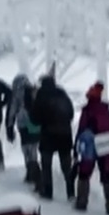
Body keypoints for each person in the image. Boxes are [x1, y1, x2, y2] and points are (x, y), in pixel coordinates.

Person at [74, 82, 109, 215]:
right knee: (107, 174)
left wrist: (75, 148)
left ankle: (81, 202)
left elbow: (81, 129)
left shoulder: (87, 111)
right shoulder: (106, 110)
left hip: (90, 146)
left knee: (84, 174)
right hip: (106, 146)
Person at [30, 69, 75, 201]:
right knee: (67, 165)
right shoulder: (62, 93)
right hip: (65, 134)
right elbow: (71, 113)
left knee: (46, 163)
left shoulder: (41, 94)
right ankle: (71, 192)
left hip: (48, 134)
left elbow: (34, 118)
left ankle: (48, 191)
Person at [6, 73, 41, 189]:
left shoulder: (16, 94)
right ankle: (34, 173)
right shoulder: (35, 91)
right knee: (34, 148)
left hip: (24, 125)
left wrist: (10, 127)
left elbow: (12, 111)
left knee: (26, 148)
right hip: (36, 124)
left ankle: (32, 174)